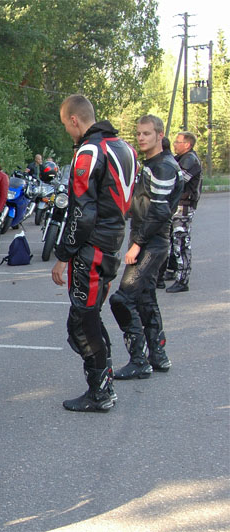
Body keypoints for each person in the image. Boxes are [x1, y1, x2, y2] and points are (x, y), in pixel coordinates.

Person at [51, 94, 137, 413]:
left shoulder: (90, 150)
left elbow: (82, 212)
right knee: (90, 316)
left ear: (75, 120)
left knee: (82, 321)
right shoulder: (124, 147)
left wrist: (63, 255)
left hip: (93, 247)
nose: (67, 131)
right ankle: (104, 384)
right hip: (111, 242)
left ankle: (100, 392)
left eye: (65, 124)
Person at [109, 115, 182, 379]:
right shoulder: (153, 163)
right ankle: (158, 356)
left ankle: (139, 361)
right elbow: (143, 204)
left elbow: (160, 212)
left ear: (160, 135)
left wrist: (137, 245)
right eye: (139, 133)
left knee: (122, 299)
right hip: (148, 239)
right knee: (145, 297)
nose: (141, 137)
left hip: (152, 242)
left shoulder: (163, 166)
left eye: (147, 133)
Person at [164, 131, 202, 293]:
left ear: (187, 144)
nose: (174, 144)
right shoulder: (180, 158)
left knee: (181, 242)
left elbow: (177, 180)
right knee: (173, 240)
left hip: (184, 206)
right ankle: (172, 270)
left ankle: (182, 280)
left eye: (178, 142)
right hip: (177, 205)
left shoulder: (190, 160)